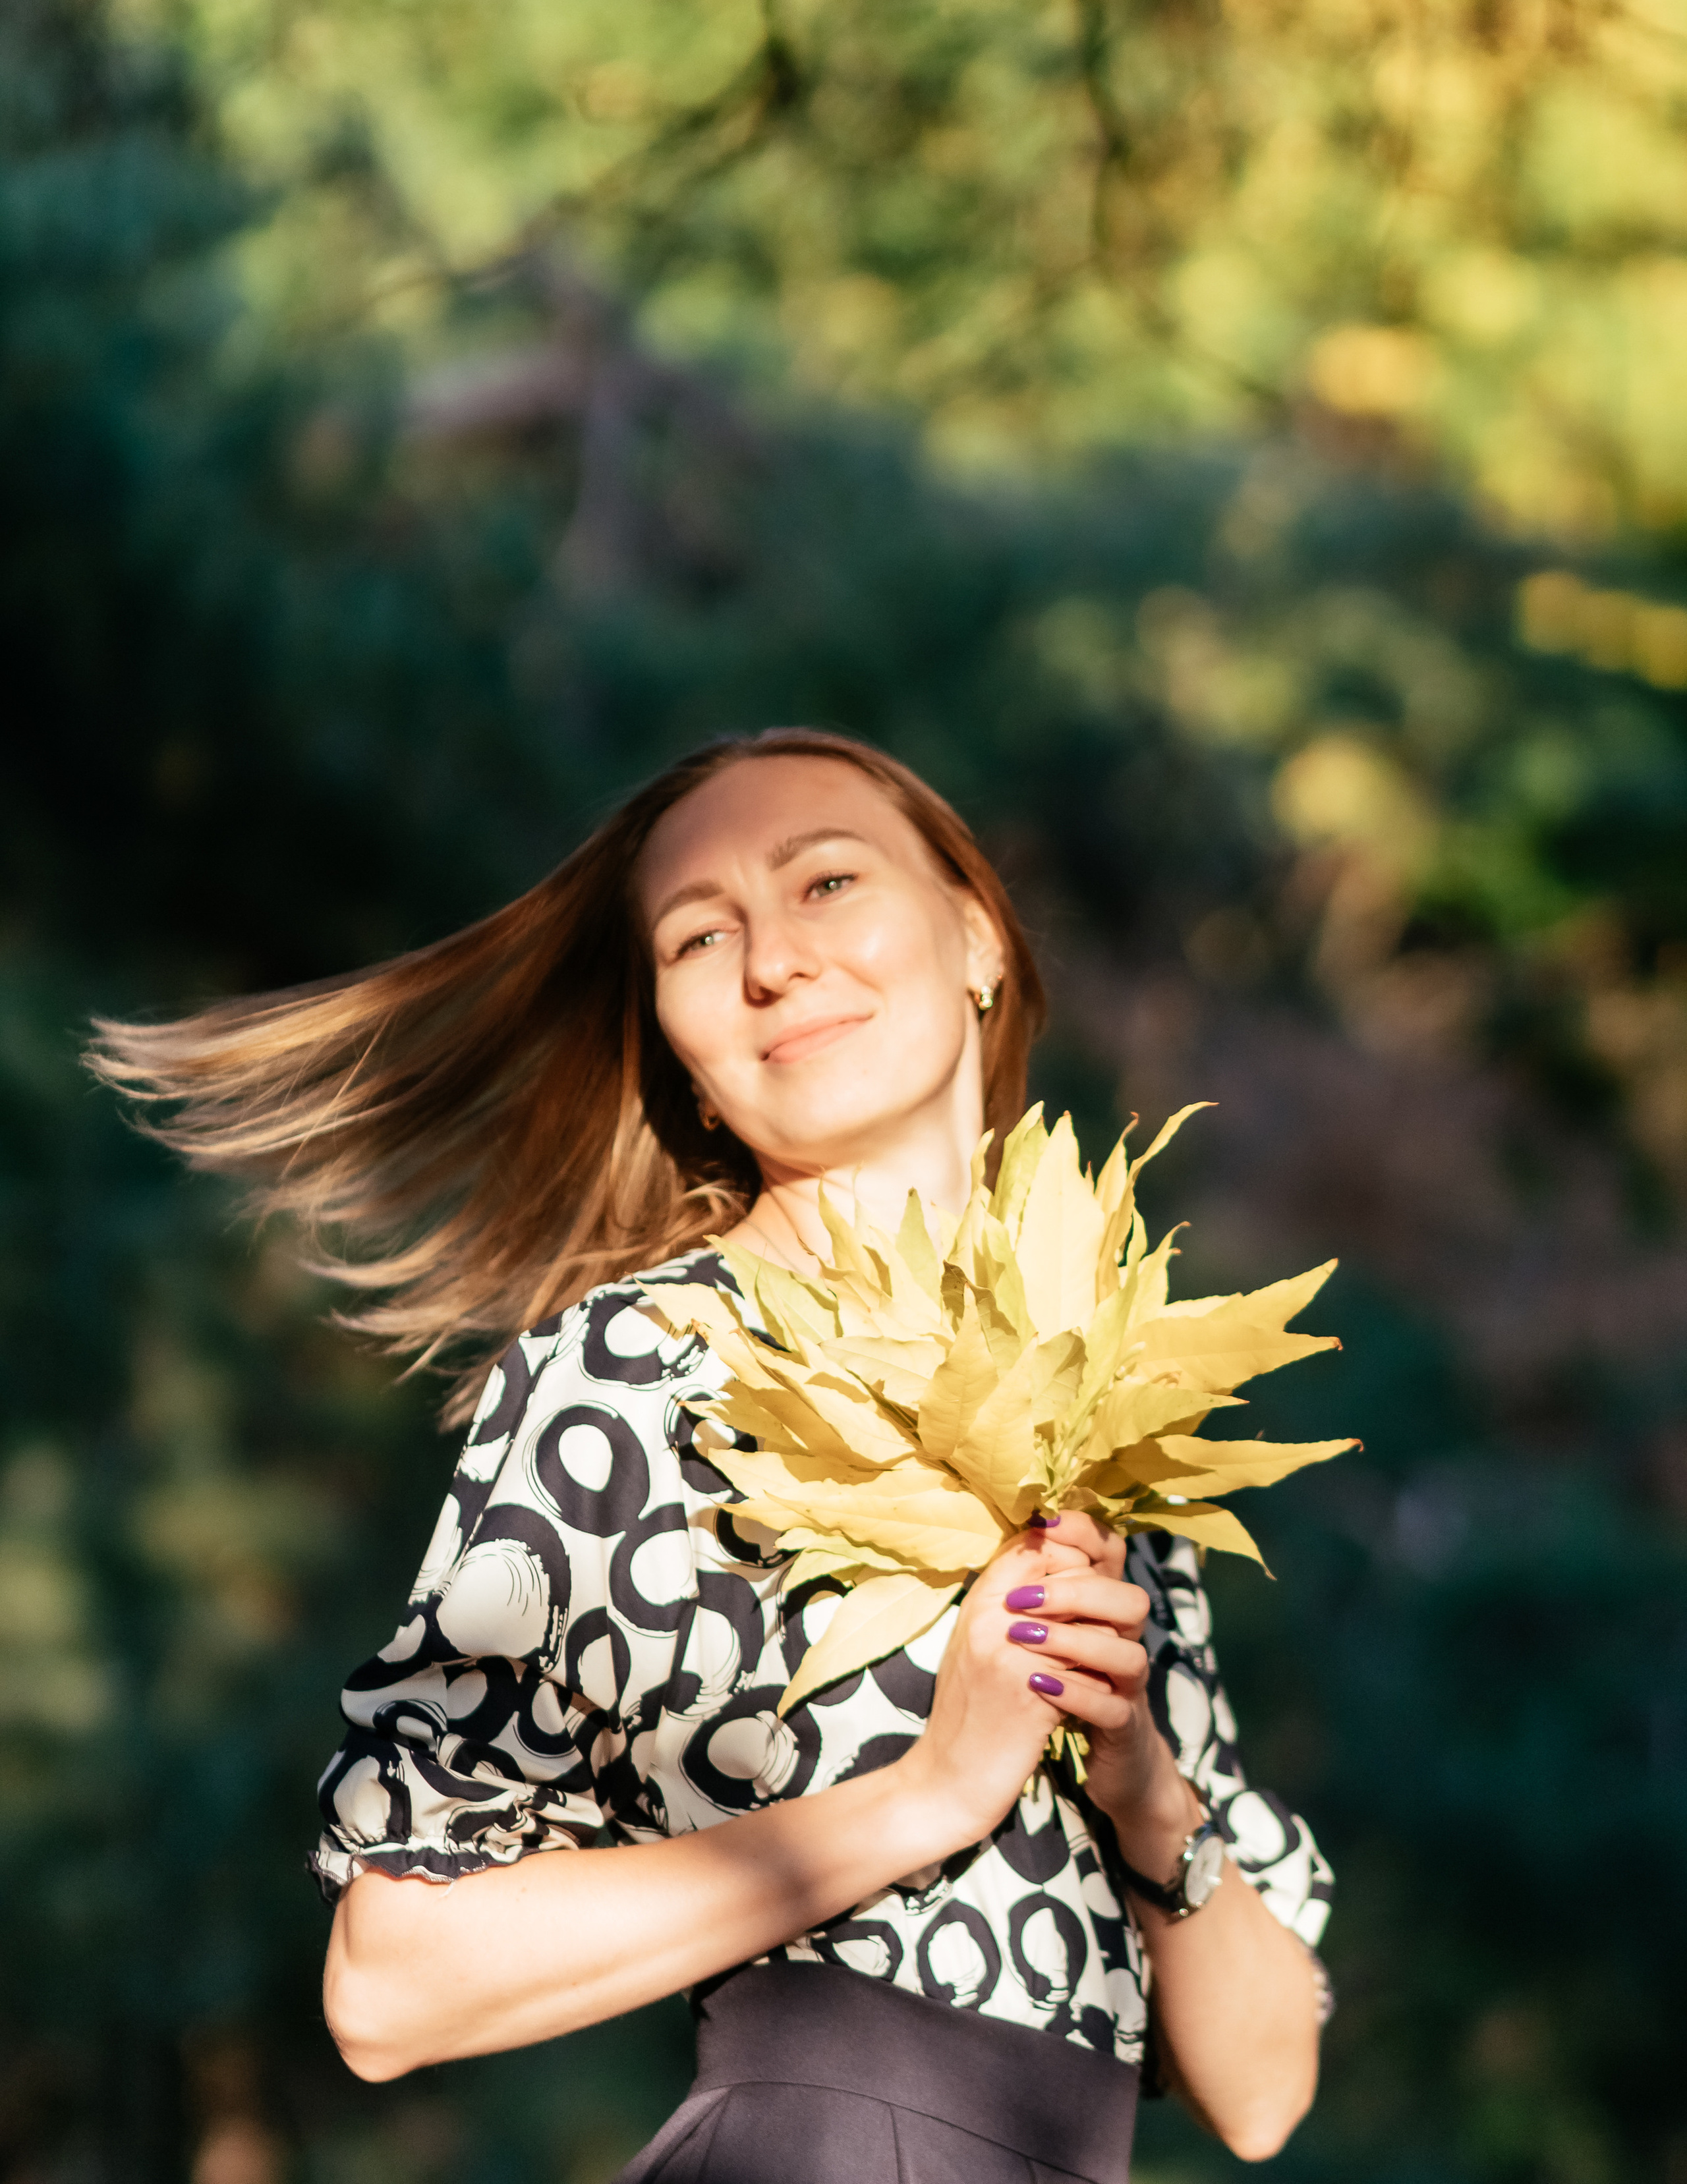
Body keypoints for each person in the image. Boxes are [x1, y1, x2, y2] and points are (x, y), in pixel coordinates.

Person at [92, 729, 1333, 2183]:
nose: (775, 962)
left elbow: (1264, 2094)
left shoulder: (1104, 1393)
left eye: (826, 882)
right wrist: (930, 1792)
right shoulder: (635, 1376)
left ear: (978, 936)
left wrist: (1142, 1788)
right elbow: (389, 1980)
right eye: (700, 936)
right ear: (683, 1061)